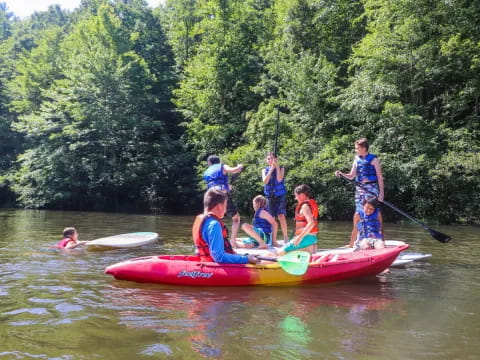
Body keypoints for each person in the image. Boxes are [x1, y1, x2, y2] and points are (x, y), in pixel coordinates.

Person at [192, 188, 259, 264]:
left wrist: (246, 256)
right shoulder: (214, 224)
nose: (225, 210)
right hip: (216, 268)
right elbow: (219, 257)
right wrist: (246, 259)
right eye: (225, 206)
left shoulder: (203, 221)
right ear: (219, 206)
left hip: (206, 263)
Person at [335, 138, 384, 213]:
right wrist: (341, 173)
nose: (355, 150)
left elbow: (380, 178)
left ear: (364, 148)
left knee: (370, 211)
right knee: (359, 211)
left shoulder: (374, 160)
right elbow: (351, 176)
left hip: (371, 188)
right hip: (359, 189)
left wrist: (381, 194)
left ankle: (372, 224)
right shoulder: (356, 160)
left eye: (357, 148)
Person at [203, 155, 243, 245]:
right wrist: (239, 166)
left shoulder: (206, 172)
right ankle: (233, 242)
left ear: (209, 163)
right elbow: (233, 170)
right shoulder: (222, 166)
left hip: (209, 194)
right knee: (236, 218)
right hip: (221, 193)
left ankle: (208, 241)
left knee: (211, 217)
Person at [277, 184, 318, 256]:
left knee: (279, 252)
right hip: (312, 238)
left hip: (305, 238)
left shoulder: (305, 206)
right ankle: (308, 249)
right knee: (290, 252)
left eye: (296, 196)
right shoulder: (311, 204)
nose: (295, 198)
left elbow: (311, 223)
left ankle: (307, 249)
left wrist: (299, 238)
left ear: (302, 195)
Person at [262, 152, 289, 243]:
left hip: (280, 195)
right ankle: (273, 239)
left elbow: (279, 179)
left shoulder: (281, 168)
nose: (270, 160)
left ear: (276, 159)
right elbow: (265, 181)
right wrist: (271, 169)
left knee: (281, 215)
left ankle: (285, 237)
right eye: (268, 158)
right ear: (266, 160)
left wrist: (276, 167)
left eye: (272, 158)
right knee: (271, 217)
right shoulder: (264, 170)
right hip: (270, 196)